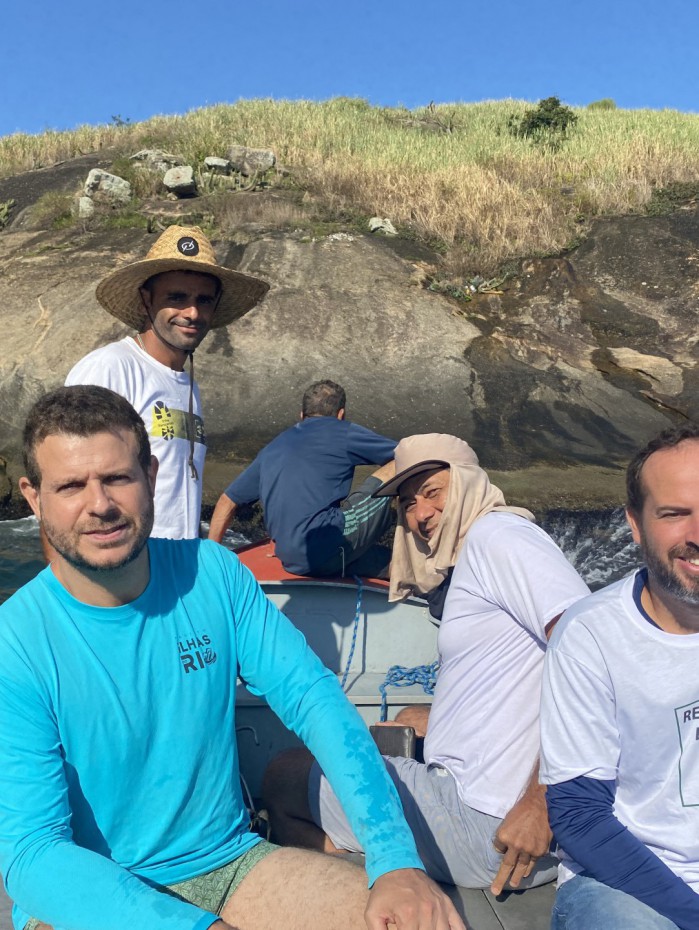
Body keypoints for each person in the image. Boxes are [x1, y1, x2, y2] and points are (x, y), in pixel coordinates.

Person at [0, 385, 463, 930]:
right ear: (34, 497)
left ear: (150, 474)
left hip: (228, 863)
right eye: (71, 485)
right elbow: (32, 853)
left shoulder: (215, 573)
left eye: (117, 478)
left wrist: (395, 859)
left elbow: (313, 699)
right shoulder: (16, 643)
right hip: (95, 891)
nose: (99, 504)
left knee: (416, 920)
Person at [264, 433, 590, 896]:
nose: (419, 514)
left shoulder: (499, 536)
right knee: (408, 720)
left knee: (284, 776)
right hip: (493, 806)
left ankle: (362, 890)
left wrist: (543, 801)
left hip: (490, 825)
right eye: (408, 503)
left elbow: (591, 652)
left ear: (469, 483)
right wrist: (438, 722)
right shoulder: (483, 550)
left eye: (433, 492)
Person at [540, 423, 699, 930]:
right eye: (675, 515)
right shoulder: (592, 636)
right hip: (628, 886)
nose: (697, 534)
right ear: (635, 524)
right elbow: (580, 817)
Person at [65, 224, 269, 539]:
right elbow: (64, 483)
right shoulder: (110, 369)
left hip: (176, 571)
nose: (192, 312)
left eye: (204, 300)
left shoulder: (188, 387)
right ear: (147, 300)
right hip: (126, 575)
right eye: (177, 297)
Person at [208, 380, 397, 577]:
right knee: (398, 464)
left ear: (301, 415)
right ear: (341, 414)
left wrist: (211, 559)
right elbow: (405, 453)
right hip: (321, 547)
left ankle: (397, 567)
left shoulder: (274, 446)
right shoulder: (343, 431)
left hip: (291, 558)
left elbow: (226, 501)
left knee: (377, 559)